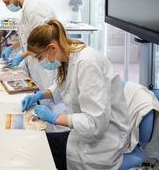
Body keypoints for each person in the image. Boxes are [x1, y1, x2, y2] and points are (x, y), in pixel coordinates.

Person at [21, 19, 129, 170]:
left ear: (52, 48)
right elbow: (62, 86)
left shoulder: (86, 63)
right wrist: (40, 95)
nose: (40, 63)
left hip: (102, 144)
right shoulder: (69, 55)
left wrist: (55, 118)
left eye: (39, 58)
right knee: (36, 143)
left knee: (38, 156)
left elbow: (95, 124)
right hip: (82, 135)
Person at [0, 0, 56, 93]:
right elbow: (27, 36)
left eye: (7, 2)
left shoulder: (35, 9)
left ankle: (50, 109)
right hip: (34, 58)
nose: (7, 6)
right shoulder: (23, 10)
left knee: (47, 93)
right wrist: (12, 48)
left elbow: (41, 39)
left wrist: (22, 55)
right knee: (37, 92)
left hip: (46, 57)